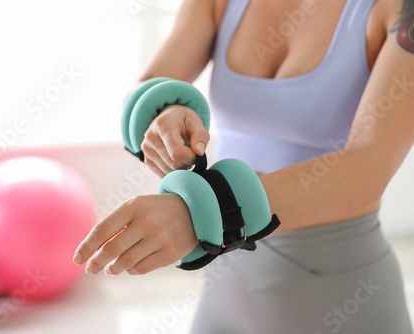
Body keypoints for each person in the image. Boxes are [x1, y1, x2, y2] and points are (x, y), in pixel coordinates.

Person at [73, 0, 414, 332]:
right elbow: (149, 87)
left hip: (341, 294)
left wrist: (202, 212)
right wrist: (166, 114)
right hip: (226, 283)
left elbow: (367, 168)